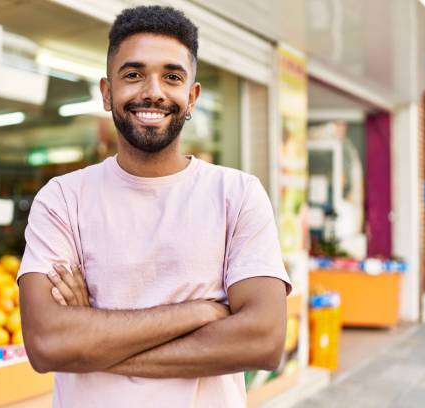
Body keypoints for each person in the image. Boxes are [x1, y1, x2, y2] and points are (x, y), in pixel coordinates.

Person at [17, 5, 291, 408]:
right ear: (107, 92)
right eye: (133, 74)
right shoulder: (63, 199)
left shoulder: (237, 194)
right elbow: (47, 342)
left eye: (172, 77)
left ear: (192, 96)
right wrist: (201, 312)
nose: (153, 91)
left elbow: (264, 340)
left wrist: (93, 342)